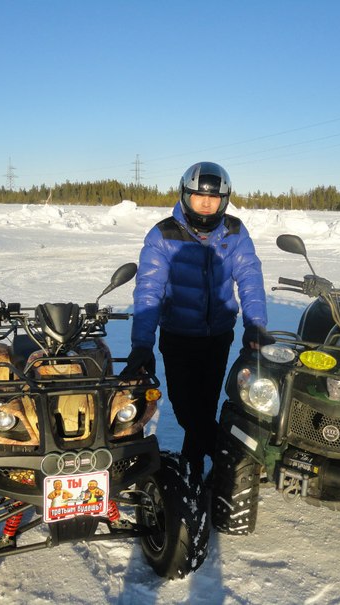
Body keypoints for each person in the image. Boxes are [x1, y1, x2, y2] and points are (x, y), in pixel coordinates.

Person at [122, 161, 272, 479]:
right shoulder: (163, 235)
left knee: (204, 408)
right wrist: (142, 345)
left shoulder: (234, 232)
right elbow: (149, 292)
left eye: (213, 197)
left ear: (224, 200)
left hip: (218, 336)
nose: (206, 203)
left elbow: (249, 277)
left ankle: (195, 470)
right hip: (178, 337)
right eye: (198, 196)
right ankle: (232, 456)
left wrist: (255, 324)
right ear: (185, 195)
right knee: (186, 410)